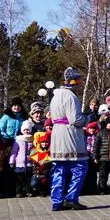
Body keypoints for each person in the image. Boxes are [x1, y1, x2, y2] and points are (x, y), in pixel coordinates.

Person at [48, 68, 90, 212]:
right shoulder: (70, 96)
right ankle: (71, 198)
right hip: (69, 136)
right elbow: (75, 119)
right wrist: (86, 118)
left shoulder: (56, 95)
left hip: (57, 134)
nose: (80, 84)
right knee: (79, 167)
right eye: (78, 81)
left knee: (59, 169)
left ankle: (57, 201)